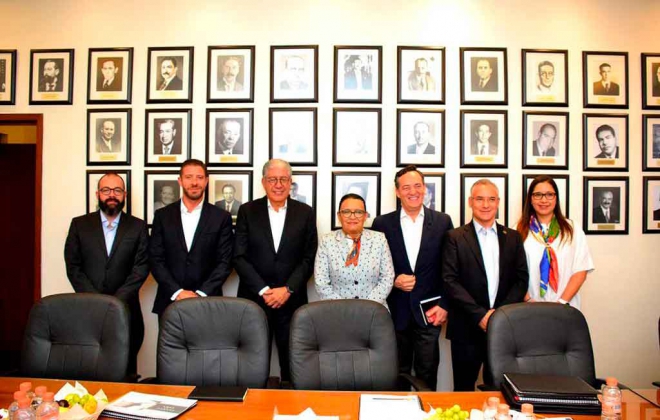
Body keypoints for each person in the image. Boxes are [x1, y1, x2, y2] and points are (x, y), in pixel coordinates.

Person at [234, 159, 318, 383]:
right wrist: (264, 290)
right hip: (254, 300)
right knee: (251, 365)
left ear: (290, 182)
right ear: (263, 182)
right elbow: (239, 256)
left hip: (292, 301)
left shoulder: (305, 212)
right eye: (273, 179)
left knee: (293, 365)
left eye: (283, 179)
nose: (278, 185)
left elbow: (309, 257)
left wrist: (287, 289)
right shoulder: (247, 211)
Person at [372, 166, 454, 391]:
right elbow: (373, 268)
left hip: (430, 312)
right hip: (395, 312)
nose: (413, 191)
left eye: (417, 186)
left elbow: (451, 269)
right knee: (396, 374)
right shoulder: (382, 224)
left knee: (427, 374)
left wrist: (445, 305)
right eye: (406, 187)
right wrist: (394, 280)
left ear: (424, 188)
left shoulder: (442, 222)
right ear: (397, 192)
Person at [441, 179, 528, 391]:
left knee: (501, 390)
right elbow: (450, 280)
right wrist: (480, 315)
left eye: (491, 199)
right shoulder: (455, 237)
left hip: (503, 326)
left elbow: (521, 280)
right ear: (470, 202)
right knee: (463, 389)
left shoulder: (513, 237)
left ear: (498, 202)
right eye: (480, 199)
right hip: (466, 326)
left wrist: (497, 315)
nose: (486, 205)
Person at [64, 172, 149, 377]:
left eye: (117, 190)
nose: (112, 195)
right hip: (88, 310)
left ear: (125, 195)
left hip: (127, 310)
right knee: (89, 370)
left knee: (126, 371)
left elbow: (141, 267)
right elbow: (73, 266)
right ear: (97, 194)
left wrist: (116, 300)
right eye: (106, 190)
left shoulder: (137, 226)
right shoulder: (79, 225)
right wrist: (96, 300)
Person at [149, 159, 234, 315]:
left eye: (199, 177)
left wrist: (200, 294)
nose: (194, 182)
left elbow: (225, 262)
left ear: (206, 181)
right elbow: (155, 259)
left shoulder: (221, 217)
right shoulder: (162, 216)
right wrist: (178, 292)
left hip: (208, 301)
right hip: (170, 299)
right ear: (180, 181)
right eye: (188, 177)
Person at [516, 175, 594, 309]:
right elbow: (513, 272)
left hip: (566, 306)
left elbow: (581, 269)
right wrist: (528, 300)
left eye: (549, 194)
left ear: (556, 198)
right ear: (530, 199)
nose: (544, 200)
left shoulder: (573, 229)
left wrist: (562, 303)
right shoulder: (518, 230)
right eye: (538, 195)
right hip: (529, 307)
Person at [315, 193, 394, 307]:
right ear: (339, 216)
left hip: (374, 310)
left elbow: (387, 277)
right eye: (346, 212)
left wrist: (368, 306)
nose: (352, 217)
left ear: (365, 216)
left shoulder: (379, 239)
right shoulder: (327, 241)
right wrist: (345, 309)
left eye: (358, 212)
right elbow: (321, 282)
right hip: (337, 311)